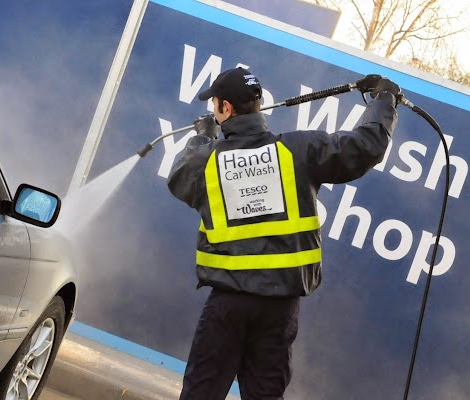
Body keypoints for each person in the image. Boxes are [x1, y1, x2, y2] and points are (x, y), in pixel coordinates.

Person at [167, 67, 400, 400]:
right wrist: (384, 100)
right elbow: (365, 147)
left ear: (225, 109)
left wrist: (203, 137)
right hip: (279, 309)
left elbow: (180, 177)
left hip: (228, 305)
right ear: (258, 104)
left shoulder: (210, 160)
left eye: (215, 105)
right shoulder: (298, 150)